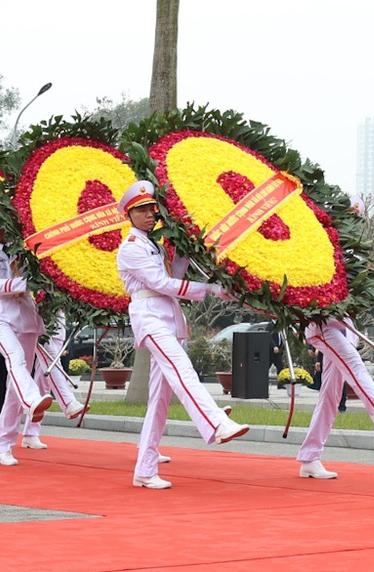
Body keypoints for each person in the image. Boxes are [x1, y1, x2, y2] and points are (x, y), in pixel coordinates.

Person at [116, 179, 248, 490]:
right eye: (142, 210)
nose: (150, 214)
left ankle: (145, 470)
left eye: (152, 209)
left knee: (159, 401)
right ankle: (216, 422)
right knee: (181, 368)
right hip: (150, 319)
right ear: (129, 215)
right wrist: (211, 289)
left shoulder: (154, 245)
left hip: (167, 318)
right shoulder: (131, 249)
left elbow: (170, 277)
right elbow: (162, 285)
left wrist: (185, 251)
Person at [0, 198, 53, 464]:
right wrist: (25, 282)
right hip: (0, 318)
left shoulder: (24, 252)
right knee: (15, 360)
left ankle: (1, 447)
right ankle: (32, 401)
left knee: (13, 386)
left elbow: (42, 277)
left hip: (27, 319)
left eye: (2, 223)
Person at [295, 310, 374, 479]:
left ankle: (309, 457)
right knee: (355, 366)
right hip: (322, 325)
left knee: (330, 396)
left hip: (343, 327)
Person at [19, 324, 88, 449]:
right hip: (40, 319)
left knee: (44, 378)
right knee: (51, 362)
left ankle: (31, 433)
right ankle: (68, 402)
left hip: (58, 319)